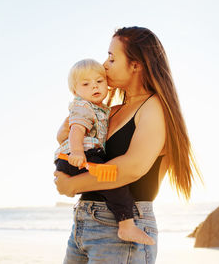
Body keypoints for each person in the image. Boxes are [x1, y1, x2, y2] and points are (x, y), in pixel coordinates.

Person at [54, 27, 200, 264]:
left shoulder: (154, 108)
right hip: (83, 223)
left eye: (112, 57)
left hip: (122, 229)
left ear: (136, 64)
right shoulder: (110, 110)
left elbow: (133, 167)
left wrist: (72, 185)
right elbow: (65, 136)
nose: (105, 64)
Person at [54, 58, 155, 245]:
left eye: (99, 82)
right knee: (111, 179)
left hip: (82, 156)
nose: (94, 87)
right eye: (86, 84)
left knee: (108, 181)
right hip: (80, 155)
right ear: (75, 91)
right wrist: (77, 153)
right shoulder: (83, 107)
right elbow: (76, 130)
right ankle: (126, 225)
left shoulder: (101, 109)